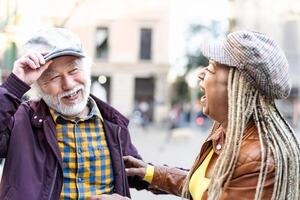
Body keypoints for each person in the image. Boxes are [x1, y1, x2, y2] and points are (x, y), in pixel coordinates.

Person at [100, 30, 300, 200]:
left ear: (236, 86)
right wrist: (150, 172)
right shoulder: (228, 133)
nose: (201, 74)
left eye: (211, 68)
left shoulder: (259, 159)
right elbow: (205, 188)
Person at [0, 27, 149, 200]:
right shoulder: (20, 120)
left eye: (73, 70)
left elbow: (139, 173)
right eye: (53, 77)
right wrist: (14, 86)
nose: (69, 84)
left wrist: (172, 178)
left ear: (87, 69)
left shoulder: (112, 123)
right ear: (37, 85)